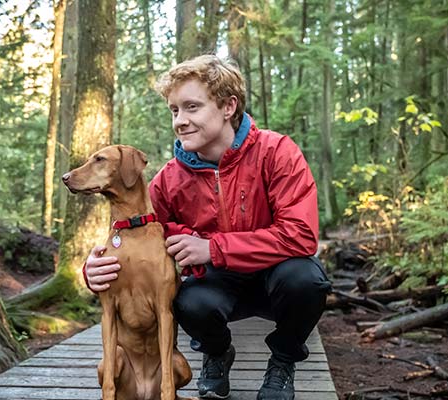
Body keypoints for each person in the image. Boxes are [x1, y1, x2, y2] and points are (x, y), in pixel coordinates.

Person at [83, 54, 331, 400]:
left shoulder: (277, 152)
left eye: (191, 107)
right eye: (174, 110)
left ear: (228, 106)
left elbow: (301, 235)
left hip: (276, 277)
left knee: (307, 279)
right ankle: (216, 352)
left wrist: (213, 249)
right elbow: (132, 236)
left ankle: (283, 362)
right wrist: (91, 268)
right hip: (216, 283)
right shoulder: (167, 180)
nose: (180, 121)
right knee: (187, 300)